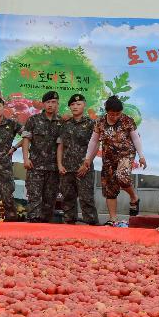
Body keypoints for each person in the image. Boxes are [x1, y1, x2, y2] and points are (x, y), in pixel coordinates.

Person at [78, 96, 147, 226]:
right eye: (112, 114)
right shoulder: (100, 122)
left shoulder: (127, 120)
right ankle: (113, 219)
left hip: (126, 154)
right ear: (107, 112)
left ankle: (134, 197)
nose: (115, 117)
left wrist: (141, 156)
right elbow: (93, 141)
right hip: (109, 157)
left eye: (117, 114)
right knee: (109, 187)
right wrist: (87, 158)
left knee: (122, 177)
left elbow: (136, 138)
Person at [22, 91, 63, 223]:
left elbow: (61, 145)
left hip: (53, 168)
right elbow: (26, 139)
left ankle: (45, 230)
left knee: (49, 200)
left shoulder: (62, 122)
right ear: (43, 104)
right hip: (35, 166)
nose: (51, 105)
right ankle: (33, 226)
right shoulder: (33, 120)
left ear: (57, 104)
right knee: (34, 198)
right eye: (48, 102)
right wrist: (25, 159)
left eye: (53, 102)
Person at [57, 94, 98, 225]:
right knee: (68, 199)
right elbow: (61, 145)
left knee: (86, 199)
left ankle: (91, 227)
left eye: (78, 104)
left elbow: (96, 145)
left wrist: (87, 164)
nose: (75, 107)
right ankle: (69, 226)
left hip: (83, 168)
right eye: (73, 105)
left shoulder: (91, 123)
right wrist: (59, 164)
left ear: (84, 105)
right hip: (67, 168)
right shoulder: (65, 124)